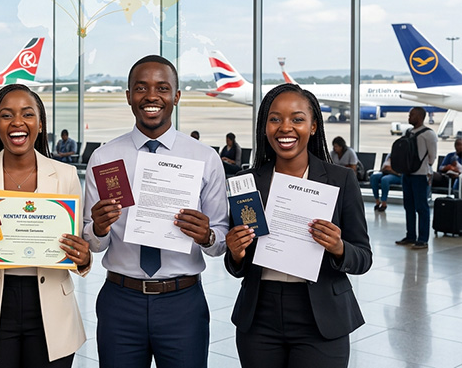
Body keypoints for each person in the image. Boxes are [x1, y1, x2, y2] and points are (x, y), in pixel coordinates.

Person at [83, 55, 228, 367]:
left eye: (162, 88)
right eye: (141, 88)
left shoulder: (205, 158)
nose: (151, 96)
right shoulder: (104, 158)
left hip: (182, 303)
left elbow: (221, 244)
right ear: (128, 97)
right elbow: (93, 245)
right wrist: (98, 229)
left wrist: (207, 236)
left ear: (176, 96)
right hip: (121, 300)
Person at [225, 83, 372, 368]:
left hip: (321, 316)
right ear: (264, 127)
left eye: (297, 119)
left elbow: (363, 258)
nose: (285, 127)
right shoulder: (247, 183)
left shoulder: (341, 180)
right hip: (259, 316)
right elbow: (237, 265)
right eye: (275, 118)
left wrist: (339, 248)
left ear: (313, 126)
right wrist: (236, 253)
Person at [0, 84, 91, 368]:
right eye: (6, 115)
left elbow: (76, 246)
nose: (17, 122)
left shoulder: (65, 175)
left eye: (27, 114)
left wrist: (83, 256)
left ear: (40, 125)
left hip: (51, 303)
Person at [396, 107, 437, 250]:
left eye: (411, 115)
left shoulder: (429, 134)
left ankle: (423, 239)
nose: (409, 117)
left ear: (420, 117)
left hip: (420, 175)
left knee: (422, 207)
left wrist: (426, 169)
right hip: (407, 174)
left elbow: (432, 157)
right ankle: (410, 235)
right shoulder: (408, 132)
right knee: (409, 207)